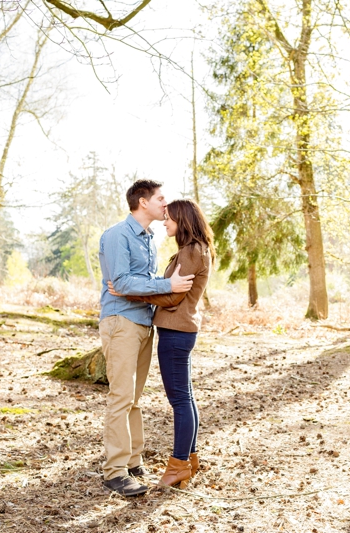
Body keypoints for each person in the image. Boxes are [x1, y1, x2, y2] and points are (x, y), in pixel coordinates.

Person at [98, 180, 195, 497]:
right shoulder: (117, 235)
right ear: (142, 202)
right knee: (121, 397)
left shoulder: (149, 240)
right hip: (120, 321)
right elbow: (123, 282)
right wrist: (167, 287)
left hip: (143, 324)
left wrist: (151, 286)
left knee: (134, 399)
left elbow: (141, 282)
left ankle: (133, 461)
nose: (165, 205)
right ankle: (114, 471)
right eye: (160, 198)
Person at [109, 198, 214, 490]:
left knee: (180, 400)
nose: (164, 222)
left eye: (169, 218)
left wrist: (130, 293)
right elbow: (170, 290)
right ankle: (188, 459)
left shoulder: (191, 252)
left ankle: (178, 465)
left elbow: (172, 297)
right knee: (185, 398)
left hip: (176, 332)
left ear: (182, 220)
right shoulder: (193, 250)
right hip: (180, 331)